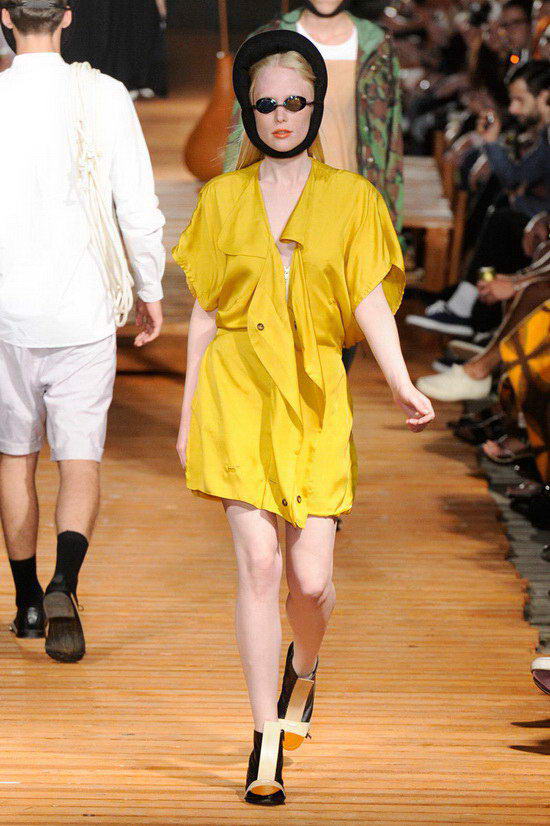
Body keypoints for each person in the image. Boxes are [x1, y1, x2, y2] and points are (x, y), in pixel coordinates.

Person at [173, 29, 433, 806]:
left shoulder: (352, 200)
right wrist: (187, 415)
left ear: (317, 107)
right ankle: (264, 741)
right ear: (249, 112)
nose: (282, 116)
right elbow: (204, 314)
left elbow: (368, 299)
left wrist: (400, 380)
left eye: (296, 102)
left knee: (311, 582)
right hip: (237, 390)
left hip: (317, 393)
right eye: (267, 105)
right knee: (258, 564)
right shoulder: (222, 200)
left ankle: (305, 668)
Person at [0, 0, 165, 663]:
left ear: (5, 17)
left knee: (16, 457)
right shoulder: (104, 95)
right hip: (84, 308)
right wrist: (149, 289)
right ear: (67, 18)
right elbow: (137, 205)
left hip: (7, 311)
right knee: (79, 459)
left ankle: (26, 603)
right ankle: (64, 582)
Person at [223, 0, 404, 373]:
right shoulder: (270, 39)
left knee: (340, 323)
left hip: (347, 206)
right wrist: (233, 204)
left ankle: (326, 402)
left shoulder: (376, 44)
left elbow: (390, 136)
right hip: (280, 194)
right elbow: (243, 125)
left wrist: (390, 216)